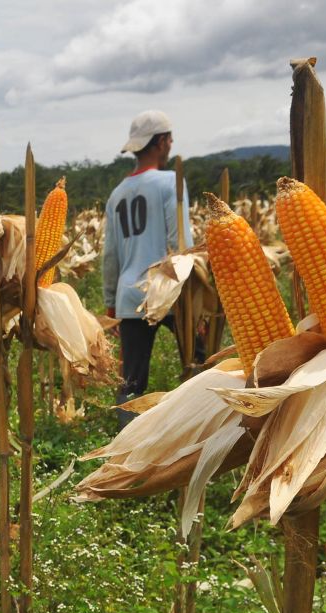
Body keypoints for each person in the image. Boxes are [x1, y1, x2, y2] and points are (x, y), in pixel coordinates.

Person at [101, 109, 193, 426]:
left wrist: (111, 303)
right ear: (161, 142)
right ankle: (195, 427)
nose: (170, 145)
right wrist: (194, 297)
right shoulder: (171, 183)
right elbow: (181, 246)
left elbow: (110, 255)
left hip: (129, 295)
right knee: (197, 363)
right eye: (169, 139)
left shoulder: (116, 194)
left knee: (131, 380)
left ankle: (128, 439)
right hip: (166, 290)